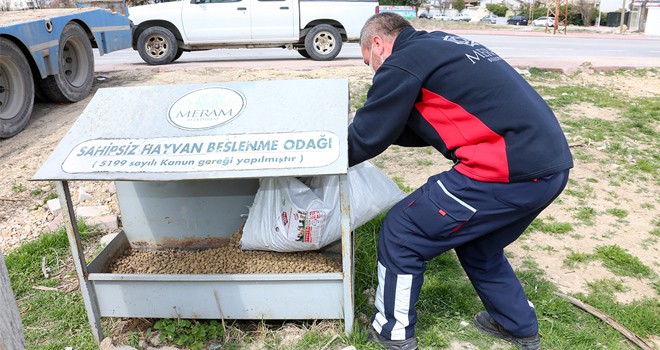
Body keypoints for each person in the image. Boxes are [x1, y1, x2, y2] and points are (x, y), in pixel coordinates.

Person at [347, 13, 573, 350]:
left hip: (505, 172)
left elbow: (367, 136)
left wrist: (325, 158)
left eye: (370, 62)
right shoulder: (441, 45)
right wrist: (378, 130)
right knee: (479, 243)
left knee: (404, 230)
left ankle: (392, 334)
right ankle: (518, 326)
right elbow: (417, 122)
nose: (374, 72)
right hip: (550, 168)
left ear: (377, 43)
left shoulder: (402, 61)